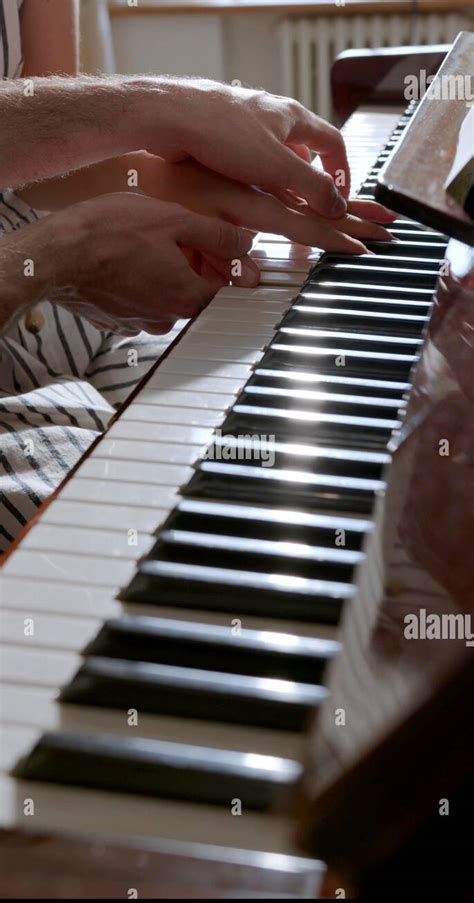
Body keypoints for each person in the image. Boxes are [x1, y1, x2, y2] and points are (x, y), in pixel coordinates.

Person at [0, 0, 395, 550]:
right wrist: (58, 253)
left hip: (65, 315)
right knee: (140, 533)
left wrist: (225, 186)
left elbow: (44, 168)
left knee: (280, 421)